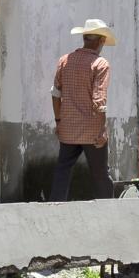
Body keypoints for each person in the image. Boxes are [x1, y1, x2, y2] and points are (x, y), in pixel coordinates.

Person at [49, 18, 116, 201]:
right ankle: (106, 209)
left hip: (68, 128)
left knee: (63, 169)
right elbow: (99, 100)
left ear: (85, 38)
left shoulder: (65, 61)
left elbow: (55, 94)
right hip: (92, 131)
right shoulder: (100, 64)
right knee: (100, 173)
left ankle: (55, 207)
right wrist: (102, 129)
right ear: (101, 41)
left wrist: (58, 122)